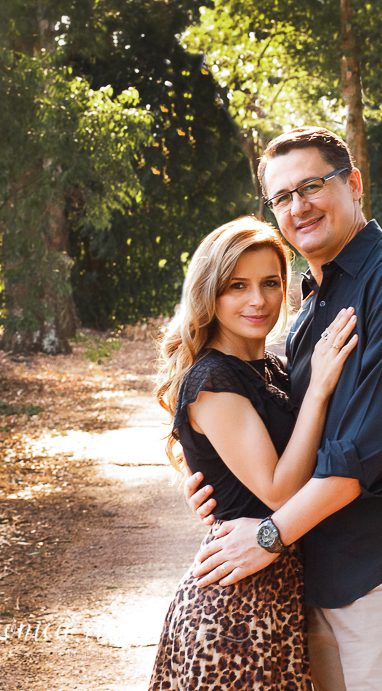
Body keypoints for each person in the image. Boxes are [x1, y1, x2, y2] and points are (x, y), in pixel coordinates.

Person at [183, 127, 382, 691]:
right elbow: (294, 450)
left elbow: (363, 451)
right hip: (319, 577)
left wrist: (269, 535)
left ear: (353, 184)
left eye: (311, 186)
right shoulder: (308, 313)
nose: (298, 207)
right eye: (281, 197)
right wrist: (224, 483)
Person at [149, 217, 358, 691]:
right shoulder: (213, 380)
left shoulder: (270, 368)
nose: (257, 300)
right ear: (210, 293)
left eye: (269, 283)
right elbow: (280, 489)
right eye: (237, 286)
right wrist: (321, 388)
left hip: (275, 598)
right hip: (235, 619)